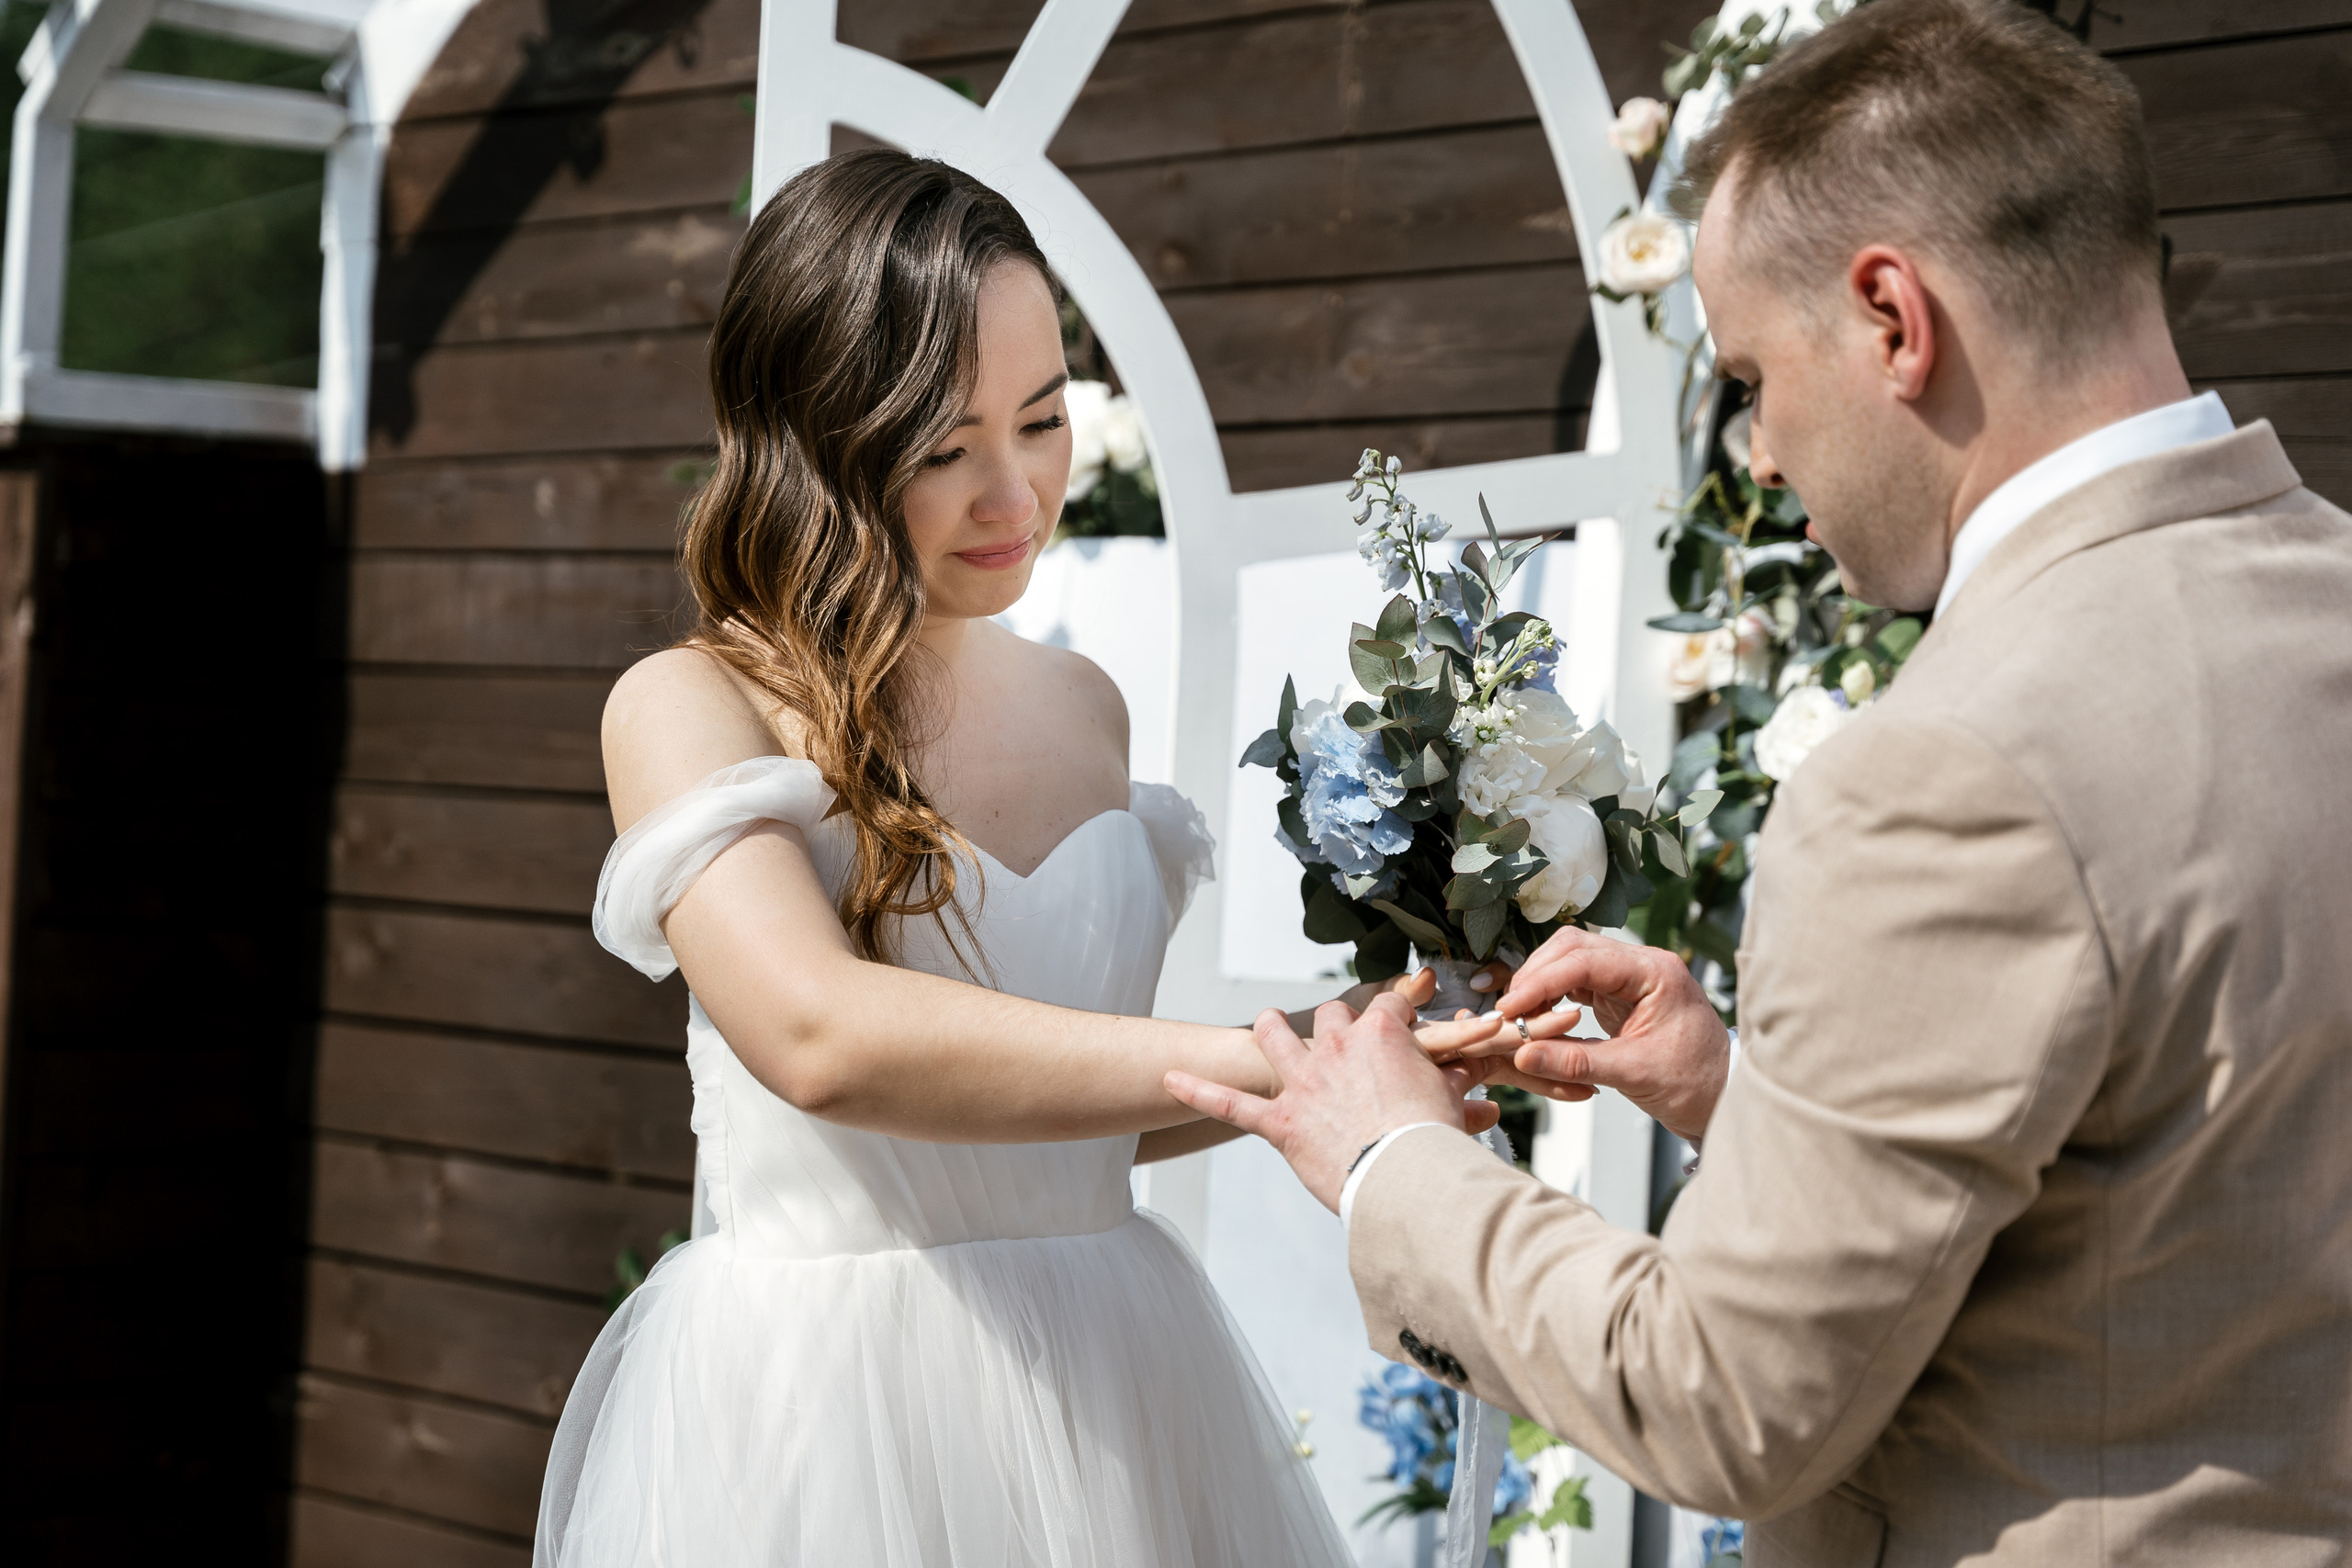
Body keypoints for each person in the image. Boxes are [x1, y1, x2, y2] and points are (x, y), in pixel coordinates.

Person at [1165, 2, 2352, 1562]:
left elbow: (1721, 1399)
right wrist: (1753, 1102)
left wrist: (1392, 1160)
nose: (1763, 456)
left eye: (1749, 378)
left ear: (1892, 319)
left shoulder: (1945, 771)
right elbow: (2174, 1190)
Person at [535, 149, 1502, 1566]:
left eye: (1042, 420)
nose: (1016, 494)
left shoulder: (1086, 706)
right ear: (813, 443)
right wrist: (1256, 1059)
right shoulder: (692, 705)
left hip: (1117, 1381)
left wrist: (1362, 1044)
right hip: (831, 1416)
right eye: (944, 449)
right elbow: (818, 1037)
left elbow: (1080, 1107)